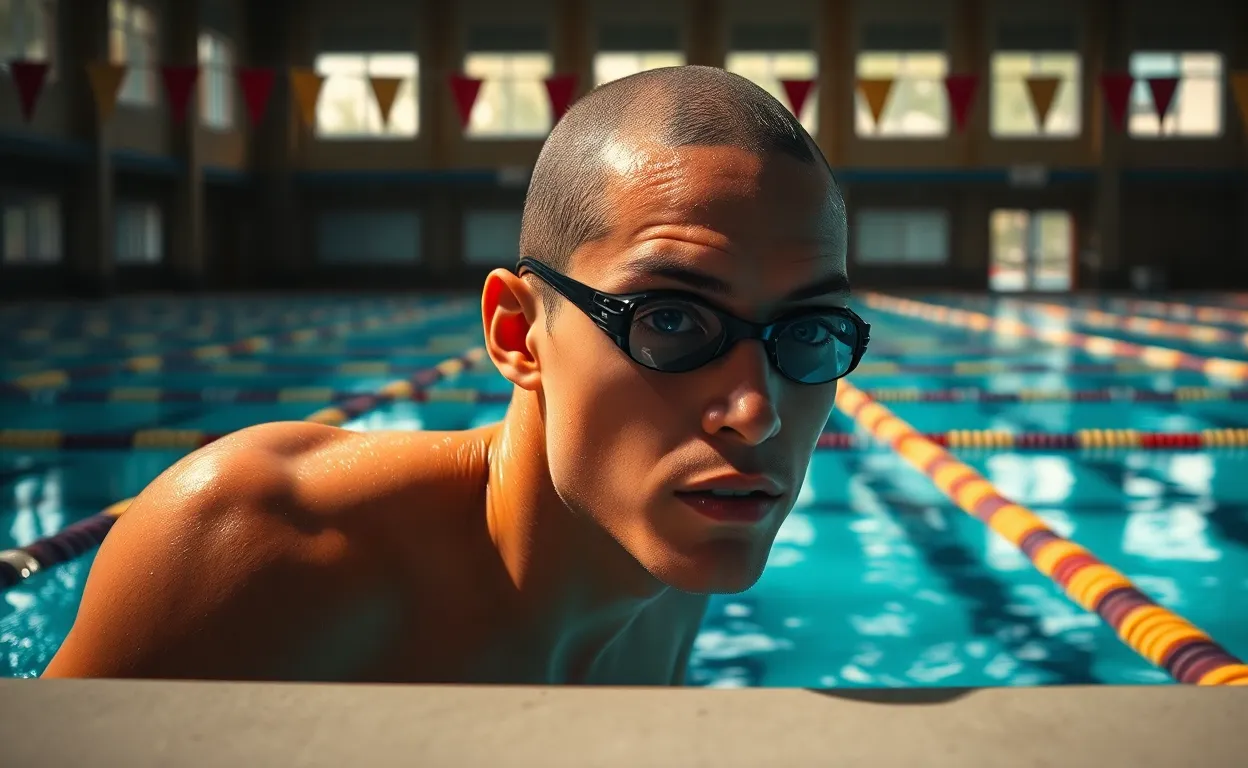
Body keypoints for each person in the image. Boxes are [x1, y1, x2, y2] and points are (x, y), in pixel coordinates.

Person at [42, 66, 870, 684]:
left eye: (808, 331)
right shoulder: (250, 541)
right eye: (672, 320)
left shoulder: (673, 564)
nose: (756, 413)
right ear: (517, 332)